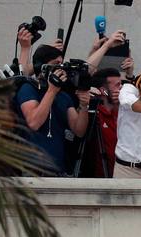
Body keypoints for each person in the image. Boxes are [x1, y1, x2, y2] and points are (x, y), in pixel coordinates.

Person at [14, 44, 91, 175]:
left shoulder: (63, 96)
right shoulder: (28, 88)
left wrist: (84, 106)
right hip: (31, 169)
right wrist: (51, 90)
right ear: (42, 67)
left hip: (57, 169)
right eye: (56, 64)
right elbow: (33, 122)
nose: (60, 69)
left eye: (61, 65)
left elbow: (79, 130)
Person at [79, 67, 123, 178]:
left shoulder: (124, 111)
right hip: (96, 178)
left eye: (121, 84)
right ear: (103, 91)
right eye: (117, 85)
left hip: (121, 175)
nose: (121, 88)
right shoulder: (93, 114)